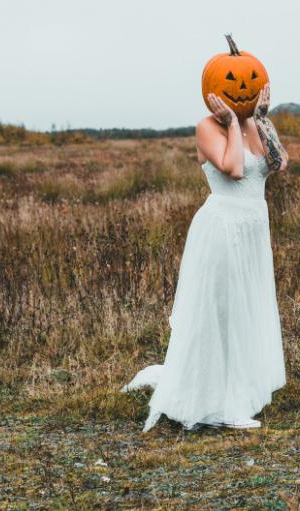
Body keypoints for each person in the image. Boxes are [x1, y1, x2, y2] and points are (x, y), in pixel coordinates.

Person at [123, 83, 288, 431]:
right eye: (235, 83)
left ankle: (241, 391)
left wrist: (260, 119)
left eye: (252, 84)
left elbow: (278, 162)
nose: (244, 89)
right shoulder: (207, 127)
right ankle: (220, 404)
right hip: (223, 228)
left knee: (247, 309)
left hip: (254, 230)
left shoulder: (258, 124)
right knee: (223, 310)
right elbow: (234, 168)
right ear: (215, 91)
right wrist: (230, 123)